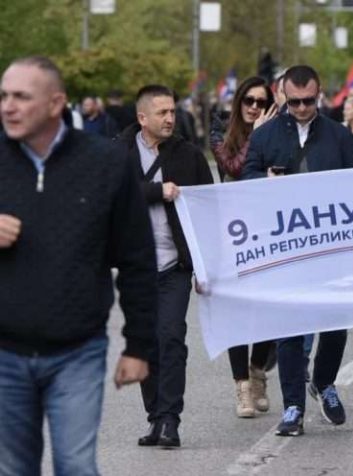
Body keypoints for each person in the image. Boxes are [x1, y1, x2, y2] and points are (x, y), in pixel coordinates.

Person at [0, 56, 157, 475]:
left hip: (77, 350)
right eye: (4, 96)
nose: (8, 106)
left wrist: (139, 346)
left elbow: (138, 260)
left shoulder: (105, 163)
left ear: (56, 104)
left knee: (74, 465)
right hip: (5, 352)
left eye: (21, 97)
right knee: (13, 469)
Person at [242, 65, 353, 436]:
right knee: (289, 328)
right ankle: (293, 406)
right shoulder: (264, 136)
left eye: (309, 101)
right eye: (295, 102)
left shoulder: (340, 136)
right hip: (285, 246)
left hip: (331, 245)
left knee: (335, 325)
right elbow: (245, 177)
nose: (303, 108)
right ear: (282, 96)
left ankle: (323, 382)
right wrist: (265, 180)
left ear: (319, 95)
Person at [117, 84, 214, 448]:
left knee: (171, 338)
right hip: (136, 267)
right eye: (162, 113)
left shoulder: (188, 155)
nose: (171, 118)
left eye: (173, 111)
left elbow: (209, 210)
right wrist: (159, 191)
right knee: (146, 343)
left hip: (175, 266)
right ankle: (155, 416)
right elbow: (114, 193)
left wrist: (204, 267)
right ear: (143, 117)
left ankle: (170, 419)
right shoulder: (118, 152)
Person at [210, 76, 279, 418]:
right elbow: (234, 168)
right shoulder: (222, 134)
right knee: (236, 311)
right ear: (238, 102)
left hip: (269, 232)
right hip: (233, 234)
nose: (254, 107)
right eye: (249, 101)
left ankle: (257, 370)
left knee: (267, 308)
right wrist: (257, 137)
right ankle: (242, 387)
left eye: (262, 102)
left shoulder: (277, 134)